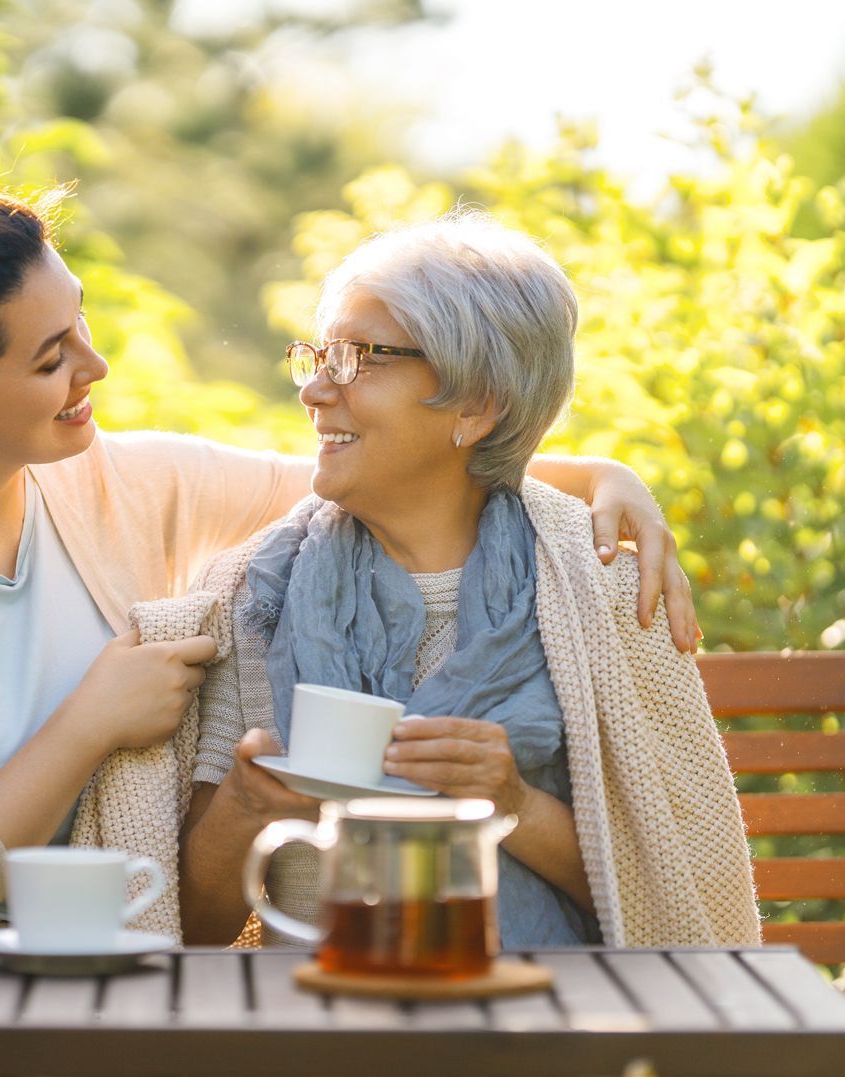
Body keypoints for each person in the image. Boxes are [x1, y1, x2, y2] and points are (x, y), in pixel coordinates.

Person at [0, 184, 698, 1062]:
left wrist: (605, 476)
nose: (97, 366)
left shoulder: (114, 482)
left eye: (79, 321)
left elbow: (371, 465)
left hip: (63, 993)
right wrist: (90, 726)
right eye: (50, 357)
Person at [179, 213, 760, 949]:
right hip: (328, 1031)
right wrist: (242, 804)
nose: (316, 391)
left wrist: (509, 800)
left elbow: (675, 896)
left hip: (553, 1031)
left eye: (360, 358)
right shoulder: (258, 593)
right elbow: (194, 930)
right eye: (320, 356)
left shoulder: (601, 581)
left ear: (477, 405)